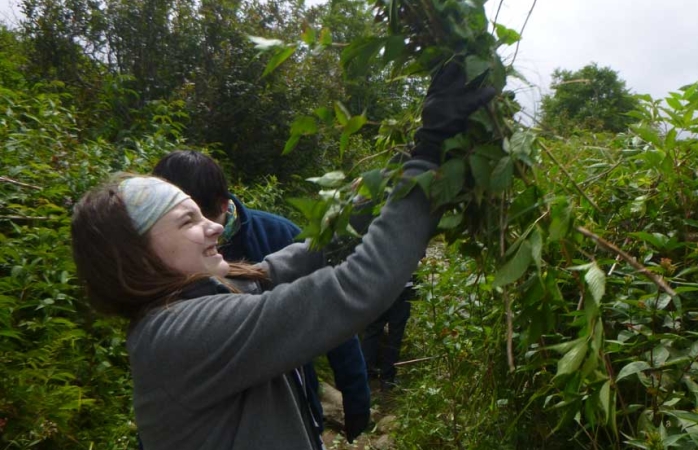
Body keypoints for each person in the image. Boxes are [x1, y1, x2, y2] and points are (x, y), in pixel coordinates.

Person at [70, 59, 494, 449]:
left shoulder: (196, 302)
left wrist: (396, 176)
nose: (215, 226)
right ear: (137, 256)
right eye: (187, 221)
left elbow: (285, 264)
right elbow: (352, 290)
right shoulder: (180, 334)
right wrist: (429, 161)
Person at [151, 150, 371, 443]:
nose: (206, 233)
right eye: (185, 223)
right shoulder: (163, 262)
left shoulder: (279, 235)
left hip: (295, 416)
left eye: (206, 219)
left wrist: (356, 401)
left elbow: (334, 316)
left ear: (224, 204)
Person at [361, 276, 417, 391]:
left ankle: (364, 374)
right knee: (395, 335)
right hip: (401, 288)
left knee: (372, 332)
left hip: (378, 285)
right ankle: (387, 378)